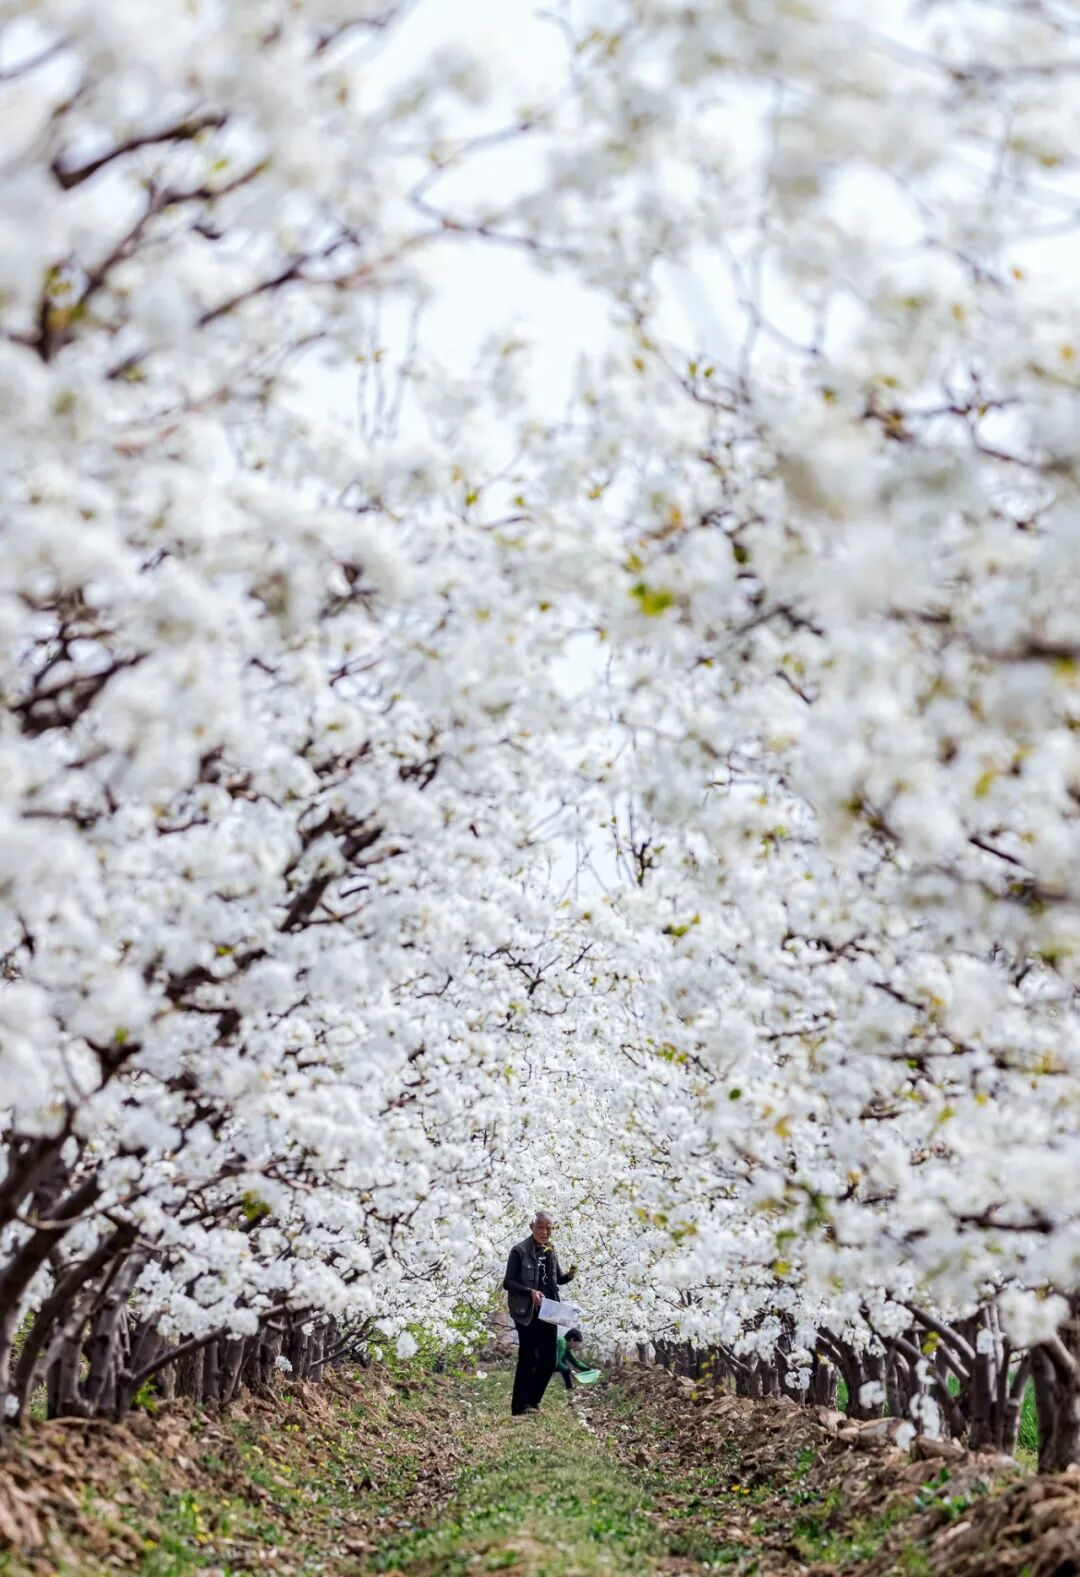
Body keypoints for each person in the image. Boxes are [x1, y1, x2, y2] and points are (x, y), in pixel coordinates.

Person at [502, 1210, 577, 1416]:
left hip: (549, 1311)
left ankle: (533, 1403)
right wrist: (530, 1292)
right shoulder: (519, 1251)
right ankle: (519, 1406)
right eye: (541, 1227)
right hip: (527, 1312)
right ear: (532, 1227)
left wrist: (569, 1276)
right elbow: (508, 1282)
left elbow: (556, 1279)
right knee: (529, 1357)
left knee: (549, 1360)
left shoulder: (550, 1250)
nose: (545, 1232)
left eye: (549, 1228)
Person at [555, 1327, 592, 1393]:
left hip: (549, 1362)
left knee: (564, 1364)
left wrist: (589, 1370)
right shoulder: (561, 1342)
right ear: (572, 1339)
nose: (576, 1346)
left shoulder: (566, 1346)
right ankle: (569, 1387)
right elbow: (557, 1363)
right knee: (564, 1365)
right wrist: (570, 1371)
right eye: (577, 1343)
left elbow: (575, 1361)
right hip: (541, 1363)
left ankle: (569, 1388)